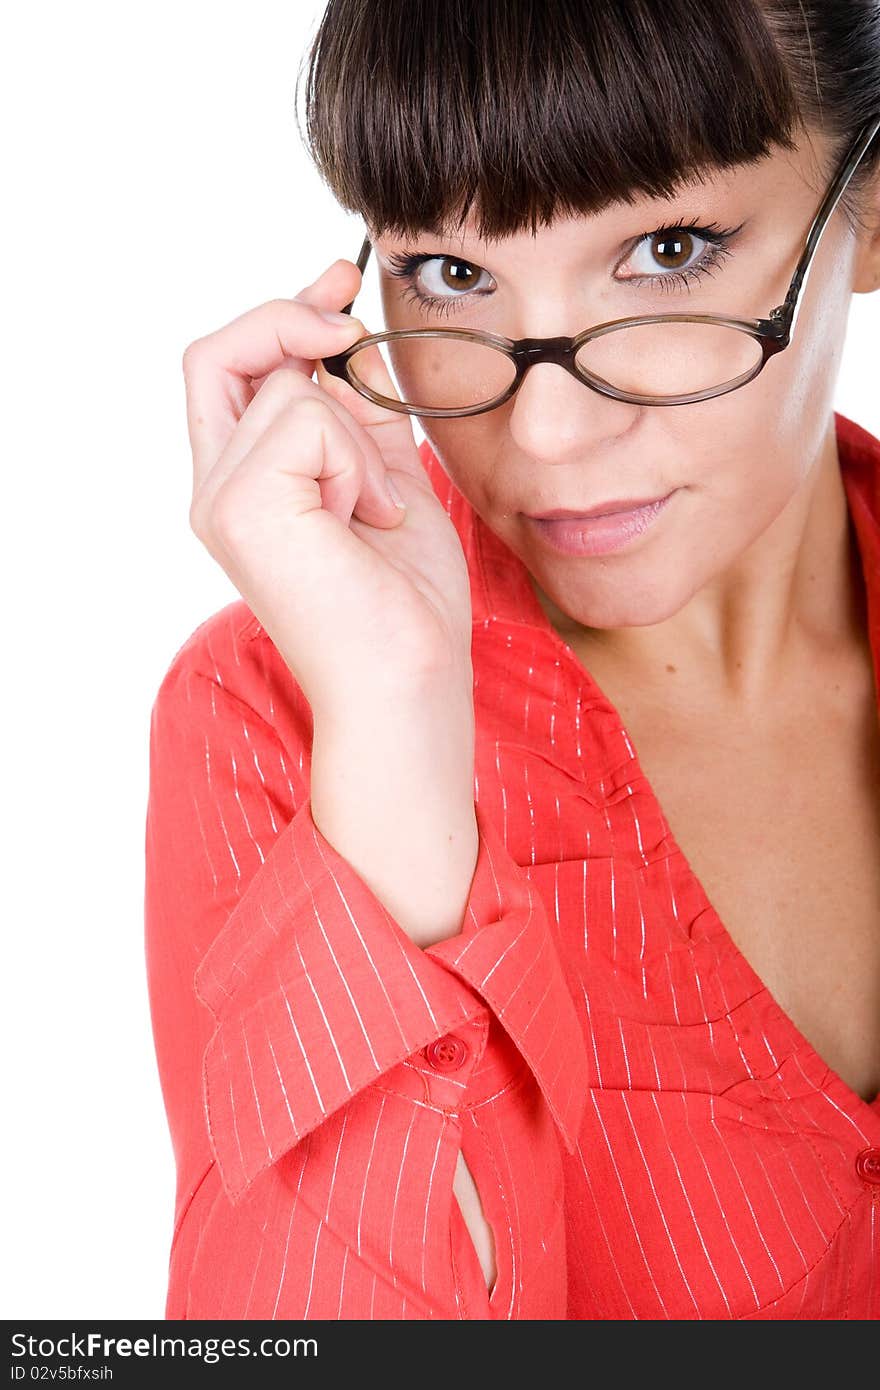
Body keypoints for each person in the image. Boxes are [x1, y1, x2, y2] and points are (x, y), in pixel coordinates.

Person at [144, 0, 880, 1319]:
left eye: (667, 249)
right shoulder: (271, 716)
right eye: (454, 276)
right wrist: (391, 742)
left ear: (867, 208)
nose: (544, 432)